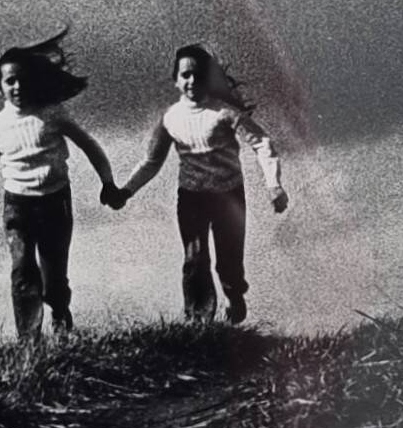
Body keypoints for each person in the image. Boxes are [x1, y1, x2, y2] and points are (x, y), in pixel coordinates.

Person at [0, 27, 122, 339]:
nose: (17, 86)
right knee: (23, 269)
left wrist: (107, 182)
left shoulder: (52, 115)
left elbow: (89, 145)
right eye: (9, 81)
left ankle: (59, 311)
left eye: (22, 79)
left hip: (56, 202)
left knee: (54, 277)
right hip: (18, 206)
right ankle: (29, 341)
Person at [105, 43, 287, 323]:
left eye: (198, 75)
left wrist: (273, 185)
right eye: (185, 75)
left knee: (228, 263)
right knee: (195, 259)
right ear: (176, 80)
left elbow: (262, 143)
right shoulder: (170, 118)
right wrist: (126, 191)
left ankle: (233, 293)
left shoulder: (225, 113)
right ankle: (198, 321)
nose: (192, 81)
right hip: (191, 197)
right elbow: (152, 162)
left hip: (229, 195)